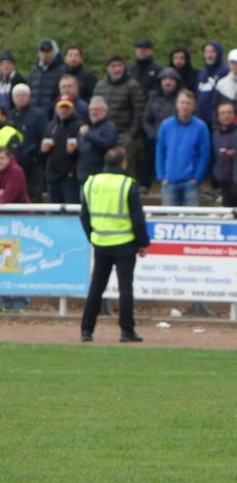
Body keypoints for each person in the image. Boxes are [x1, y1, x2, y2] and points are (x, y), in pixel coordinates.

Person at [79, 147, 149, 343]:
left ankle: (86, 330)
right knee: (125, 288)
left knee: (96, 287)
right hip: (124, 242)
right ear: (123, 163)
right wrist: (142, 242)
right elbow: (137, 218)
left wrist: (92, 236)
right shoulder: (127, 184)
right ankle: (127, 330)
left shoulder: (91, 182)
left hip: (100, 242)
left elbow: (84, 215)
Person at [155, 89, 211, 207]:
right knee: (169, 217)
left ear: (193, 106)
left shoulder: (201, 127)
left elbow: (204, 154)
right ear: (177, 104)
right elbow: (160, 151)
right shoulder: (166, 125)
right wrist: (161, 176)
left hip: (191, 183)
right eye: (182, 102)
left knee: (191, 217)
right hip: (169, 182)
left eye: (188, 103)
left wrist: (198, 177)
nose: (185, 106)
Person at [0, 143, 30, 312]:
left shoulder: (16, 171)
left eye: (2, 158)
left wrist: (2, 193)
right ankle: (7, 303)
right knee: (3, 263)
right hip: (4, 223)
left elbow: (6, 198)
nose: (0, 161)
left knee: (19, 262)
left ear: (9, 157)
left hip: (21, 223)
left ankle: (21, 302)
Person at [8, 84, 48, 202]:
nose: (21, 98)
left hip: (33, 165)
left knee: (33, 197)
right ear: (12, 98)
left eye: (24, 95)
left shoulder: (39, 115)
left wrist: (37, 155)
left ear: (29, 97)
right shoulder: (9, 116)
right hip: (12, 165)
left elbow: (44, 137)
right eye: (18, 95)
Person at [42, 95, 83, 203]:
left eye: (67, 107)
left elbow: (85, 151)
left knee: (71, 207)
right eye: (61, 107)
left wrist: (76, 150)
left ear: (72, 109)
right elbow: (43, 150)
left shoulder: (79, 126)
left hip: (70, 176)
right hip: (52, 174)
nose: (64, 110)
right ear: (56, 109)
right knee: (53, 209)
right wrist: (43, 150)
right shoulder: (51, 126)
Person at [76, 96, 119, 187]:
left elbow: (108, 144)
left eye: (97, 110)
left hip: (101, 176)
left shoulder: (110, 127)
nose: (93, 112)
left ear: (105, 111)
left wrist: (88, 135)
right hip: (83, 176)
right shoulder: (85, 127)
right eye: (91, 109)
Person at [211, 101, 237, 207]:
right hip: (223, 182)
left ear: (234, 114)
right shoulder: (216, 134)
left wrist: (235, 154)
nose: (226, 116)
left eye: (229, 112)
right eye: (223, 113)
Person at [28, 38, 66, 117]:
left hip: (52, 115)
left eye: (48, 51)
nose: (44, 55)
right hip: (34, 114)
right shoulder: (34, 71)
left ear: (54, 52)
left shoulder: (62, 71)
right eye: (42, 51)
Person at [196, 41, 226, 124]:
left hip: (217, 120)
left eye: (212, 52)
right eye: (207, 52)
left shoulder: (225, 72)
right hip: (201, 119)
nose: (209, 55)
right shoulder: (202, 72)